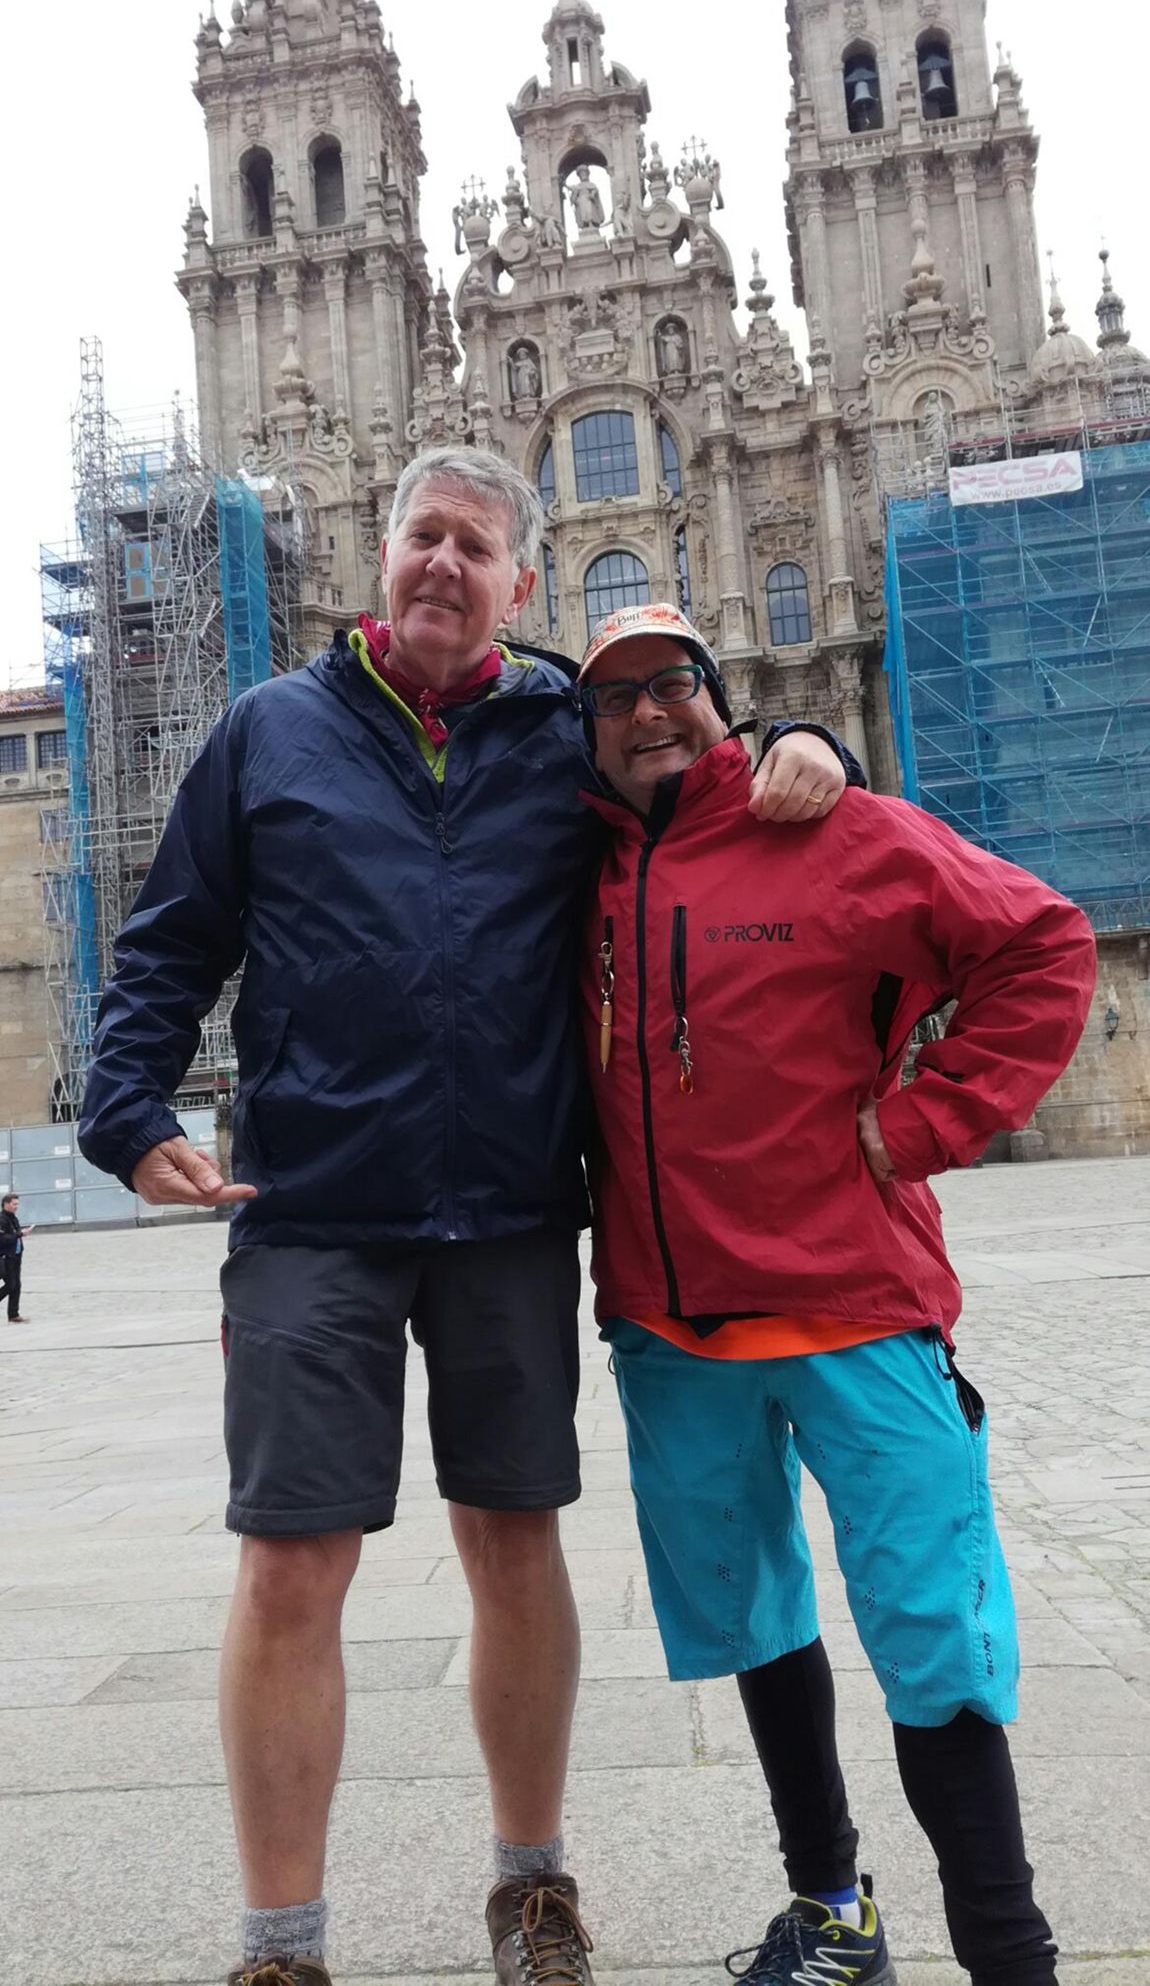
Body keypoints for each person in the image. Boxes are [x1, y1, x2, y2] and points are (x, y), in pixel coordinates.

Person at [77, 448, 856, 1986]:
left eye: (475, 546)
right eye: (422, 535)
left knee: (512, 1539)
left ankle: (530, 1886)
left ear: (521, 580)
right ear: (383, 556)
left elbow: (703, 780)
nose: (443, 562)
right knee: (289, 1561)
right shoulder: (267, 732)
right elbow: (172, 937)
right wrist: (127, 1110)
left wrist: (806, 738)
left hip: (506, 1203)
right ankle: (281, 1946)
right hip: (312, 1203)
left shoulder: (569, 727)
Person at [576, 604, 1097, 1986]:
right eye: (613, 695)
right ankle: (832, 1913)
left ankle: (1011, 1957)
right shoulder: (578, 863)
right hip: (672, 1326)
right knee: (754, 1619)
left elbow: (1043, 944)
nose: (646, 712)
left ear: (719, 697)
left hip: (855, 1302)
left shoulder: (833, 828)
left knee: (931, 1634)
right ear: (586, 732)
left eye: (671, 682)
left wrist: (928, 1118)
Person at [0, 1192, 32, 1322]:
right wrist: (19, 1234)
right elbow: (3, 1239)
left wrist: (21, 1233)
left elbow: (15, 1233)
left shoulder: (13, 1218)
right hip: (5, 1256)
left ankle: (13, 1314)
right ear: (6, 1204)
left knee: (17, 1285)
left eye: (17, 1204)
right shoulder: (2, 1219)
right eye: (14, 1204)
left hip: (16, 1255)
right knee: (10, 1284)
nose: (16, 1207)